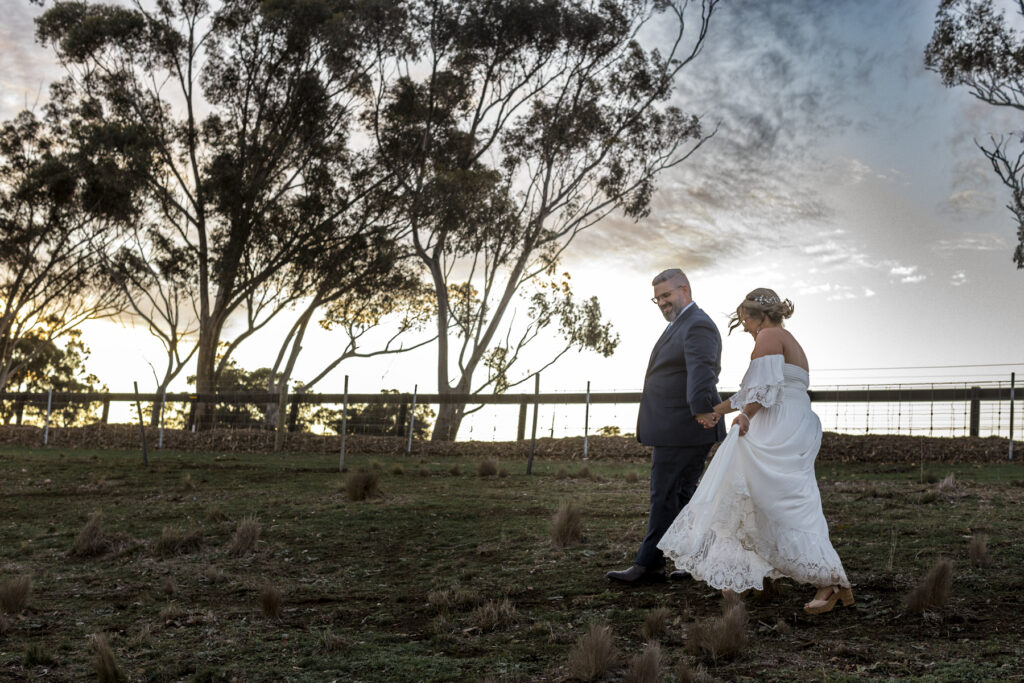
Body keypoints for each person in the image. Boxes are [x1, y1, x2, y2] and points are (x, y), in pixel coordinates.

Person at [656, 288, 853, 614]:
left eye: (745, 320)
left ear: (758, 315)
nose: (744, 327)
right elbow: (755, 388)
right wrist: (718, 411)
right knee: (774, 496)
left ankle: (825, 579)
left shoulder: (769, 336)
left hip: (776, 423)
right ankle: (751, 574)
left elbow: (763, 390)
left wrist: (745, 415)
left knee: (757, 493)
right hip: (795, 419)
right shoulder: (787, 339)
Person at [606, 268, 726, 584]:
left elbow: (703, 373)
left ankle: (648, 565)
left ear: (684, 289)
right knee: (683, 496)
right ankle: (696, 558)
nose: (661, 302)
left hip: (684, 426)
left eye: (667, 295)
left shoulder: (697, 324)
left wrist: (701, 411)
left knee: (665, 495)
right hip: (678, 426)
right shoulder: (681, 325)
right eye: (657, 298)